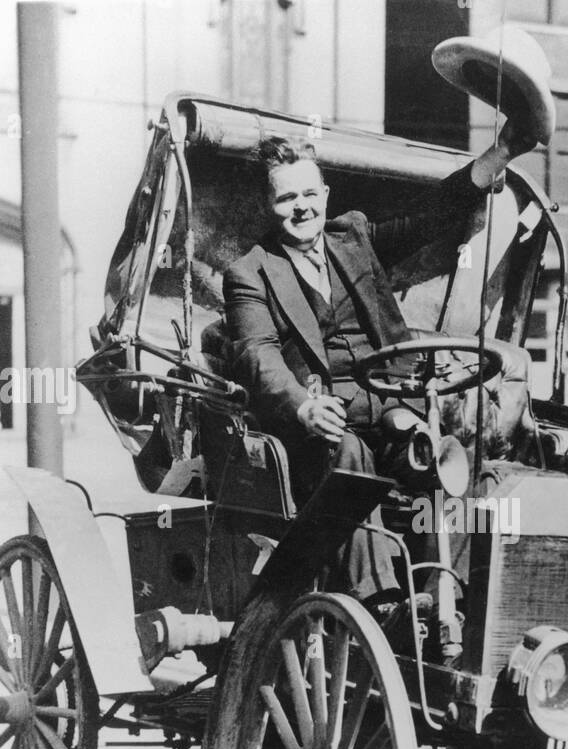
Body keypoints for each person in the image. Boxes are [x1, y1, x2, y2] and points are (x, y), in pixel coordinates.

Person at [222, 124, 537, 611]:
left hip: (392, 409)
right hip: (321, 428)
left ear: (325, 194)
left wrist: (499, 154)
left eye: (309, 193)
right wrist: (303, 407)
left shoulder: (353, 237)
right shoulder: (251, 272)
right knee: (349, 455)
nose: (301, 207)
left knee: (445, 461)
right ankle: (376, 603)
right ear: (268, 204)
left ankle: (447, 598)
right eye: (287, 198)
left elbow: (430, 216)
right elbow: (257, 355)